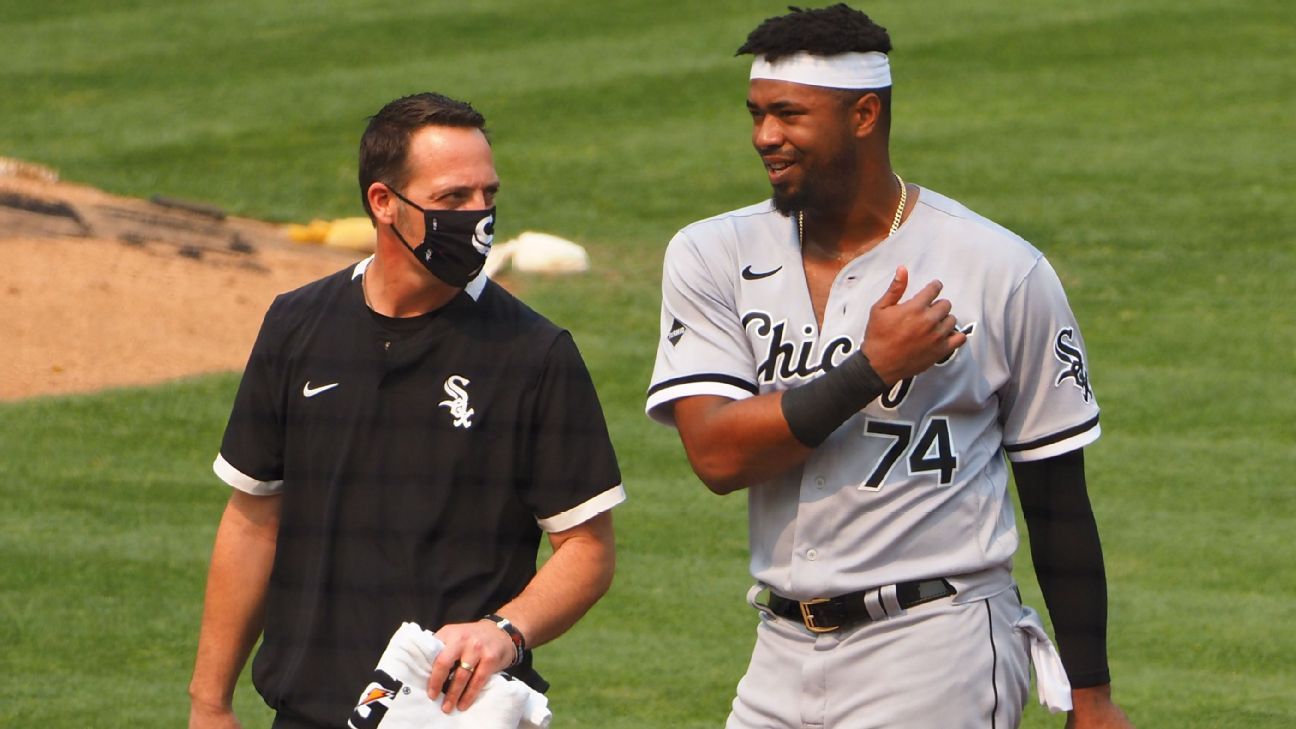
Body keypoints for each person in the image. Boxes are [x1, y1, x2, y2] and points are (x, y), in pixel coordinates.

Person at [646, 5, 1134, 728]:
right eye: (755, 114)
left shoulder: (999, 269)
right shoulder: (712, 253)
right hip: (778, 648)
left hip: (937, 646)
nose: (764, 137)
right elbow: (716, 455)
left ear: (864, 114)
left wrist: (1090, 693)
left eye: (788, 114)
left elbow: (1057, 493)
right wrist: (869, 369)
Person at [189, 92, 625, 729]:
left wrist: (506, 631)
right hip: (306, 710)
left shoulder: (533, 353)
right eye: (453, 199)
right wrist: (209, 700)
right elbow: (255, 519)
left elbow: (587, 548)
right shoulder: (298, 324)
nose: (478, 216)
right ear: (383, 202)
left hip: (450, 714)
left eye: (488, 195)